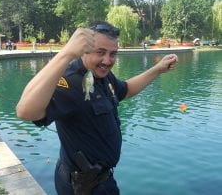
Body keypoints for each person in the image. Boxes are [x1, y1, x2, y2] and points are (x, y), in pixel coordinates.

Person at [16, 21, 178, 195]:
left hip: (99, 181)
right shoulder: (70, 81)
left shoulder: (102, 75)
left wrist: (157, 69)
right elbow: (25, 111)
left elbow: (126, 89)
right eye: (100, 52)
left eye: (113, 54)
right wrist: (66, 53)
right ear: (84, 50)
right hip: (83, 187)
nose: (107, 61)